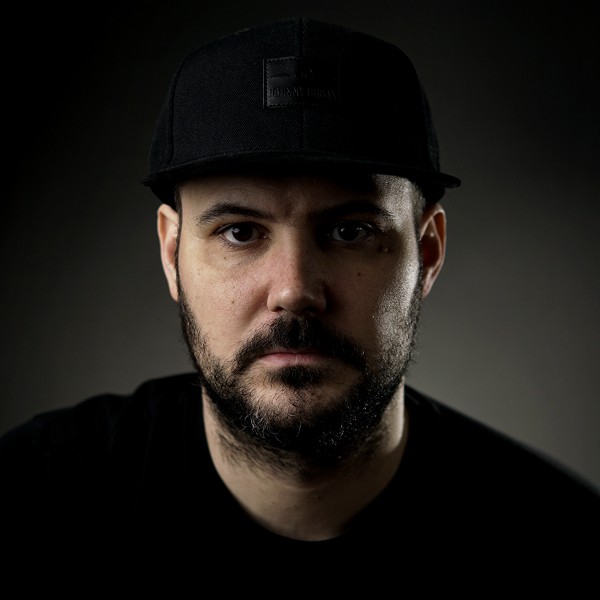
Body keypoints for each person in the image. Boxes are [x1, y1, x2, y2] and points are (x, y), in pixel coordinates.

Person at [1, 17, 598, 587]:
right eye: (240, 232)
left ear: (428, 252)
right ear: (171, 254)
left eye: (350, 232)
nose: (293, 290)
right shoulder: (35, 499)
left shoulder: (559, 536)